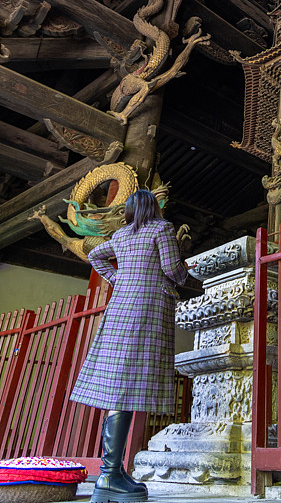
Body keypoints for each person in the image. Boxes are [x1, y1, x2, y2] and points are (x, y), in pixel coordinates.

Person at [70, 189, 189, 503]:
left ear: (131, 210)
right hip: (148, 308)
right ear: (154, 208)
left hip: (121, 308)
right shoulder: (161, 229)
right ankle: (110, 475)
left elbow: (95, 255)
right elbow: (173, 270)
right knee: (127, 386)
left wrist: (117, 278)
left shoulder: (121, 235)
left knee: (118, 385)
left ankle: (113, 472)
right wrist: (183, 264)